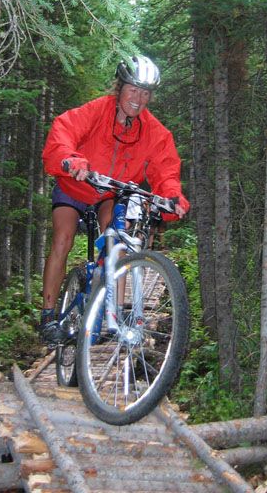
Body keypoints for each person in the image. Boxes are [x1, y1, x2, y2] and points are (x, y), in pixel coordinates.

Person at [39, 55, 190, 343]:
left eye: (145, 93)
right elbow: (64, 130)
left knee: (118, 237)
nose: (139, 98)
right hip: (75, 186)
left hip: (109, 193)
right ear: (120, 88)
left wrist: (172, 198)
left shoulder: (154, 131)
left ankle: (115, 314)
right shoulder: (97, 111)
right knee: (63, 239)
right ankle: (47, 317)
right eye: (133, 89)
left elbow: (165, 169)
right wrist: (72, 160)